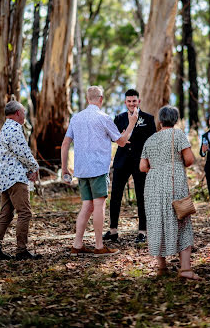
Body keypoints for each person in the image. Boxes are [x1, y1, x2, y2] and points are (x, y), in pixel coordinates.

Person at [61, 86, 138, 256]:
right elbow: (122, 142)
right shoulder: (104, 118)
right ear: (101, 99)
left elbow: (65, 143)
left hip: (81, 170)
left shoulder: (76, 118)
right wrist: (132, 123)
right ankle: (98, 245)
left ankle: (77, 244)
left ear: (88, 99)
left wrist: (64, 167)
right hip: (97, 168)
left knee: (86, 206)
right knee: (98, 206)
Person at [140, 106, 200, 280]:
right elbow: (189, 160)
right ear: (175, 120)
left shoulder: (150, 139)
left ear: (160, 121)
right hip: (173, 182)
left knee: (157, 220)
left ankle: (162, 267)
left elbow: (143, 167)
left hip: (153, 184)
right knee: (181, 218)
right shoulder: (178, 134)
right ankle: (186, 269)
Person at [103, 89, 156, 244]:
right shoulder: (118, 118)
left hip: (140, 161)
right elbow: (117, 139)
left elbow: (152, 141)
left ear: (138, 101)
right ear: (125, 102)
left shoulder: (148, 118)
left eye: (134, 101)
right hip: (122, 161)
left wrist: (148, 161)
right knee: (116, 195)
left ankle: (142, 231)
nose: (132, 104)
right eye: (129, 101)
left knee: (141, 196)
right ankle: (113, 230)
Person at [0, 101, 40, 261]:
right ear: (18, 113)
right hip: (15, 178)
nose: (25, 114)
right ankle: (21, 250)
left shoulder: (6, 128)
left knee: (6, 214)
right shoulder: (14, 128)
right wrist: (34, 167)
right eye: (24, 111)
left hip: (5, 179)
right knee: (24, 213)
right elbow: (23, 152)